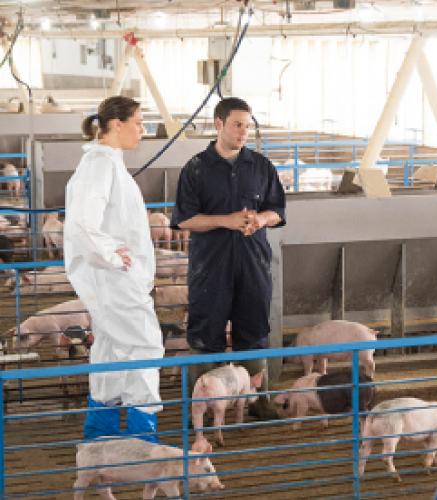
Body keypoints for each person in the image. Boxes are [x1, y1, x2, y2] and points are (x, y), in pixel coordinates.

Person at [171, 97, 286, 419]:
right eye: (237, 125)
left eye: (248, 126)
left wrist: (260, 220)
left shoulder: (261, 166)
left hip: (253, 261)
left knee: (255, 330)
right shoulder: (196, 168)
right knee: (206, 333)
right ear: (219, 124)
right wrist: (228, 220)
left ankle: (257, 401)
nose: (243, 132)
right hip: (211, 265)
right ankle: (197, 405)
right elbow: (184, 219)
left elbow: (278, 210)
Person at [64, 96, 164, 441]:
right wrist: (111, 255)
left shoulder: (106, 163)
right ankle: (141, 437)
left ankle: (100, 436)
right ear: (117, 124)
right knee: (145, 347)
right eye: (138, 122)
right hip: (115, 280)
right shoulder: (101, 166)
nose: (143, 130)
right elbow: (82, 223)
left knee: (109, 347)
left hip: (113, 280)